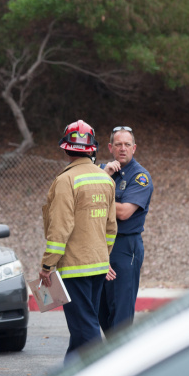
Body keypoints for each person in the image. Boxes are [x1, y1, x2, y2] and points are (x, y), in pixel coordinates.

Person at [39, 120, 117, 361]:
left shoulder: (66, 181)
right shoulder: (106, 179)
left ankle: (106, 374)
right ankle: (68, 375)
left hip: (74, 267)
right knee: (83, 324)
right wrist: (104, 257)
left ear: (66, 149)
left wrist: (47, 265)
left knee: (85, 326)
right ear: (92, 149)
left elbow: (60, 227)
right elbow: (111, 227)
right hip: (97, 265)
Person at [98, 126, 153, 336]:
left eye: (127, 145)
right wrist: (104, 176)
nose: (123, 149)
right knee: (100, 308)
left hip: (125, 247)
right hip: (100, 245)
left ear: (134, 148)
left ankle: (120, 358)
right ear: (110, 148)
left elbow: (123, 212)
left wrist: (95, 200)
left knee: (120, 312)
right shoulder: (103, 171)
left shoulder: (140, 177)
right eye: (118, 144)